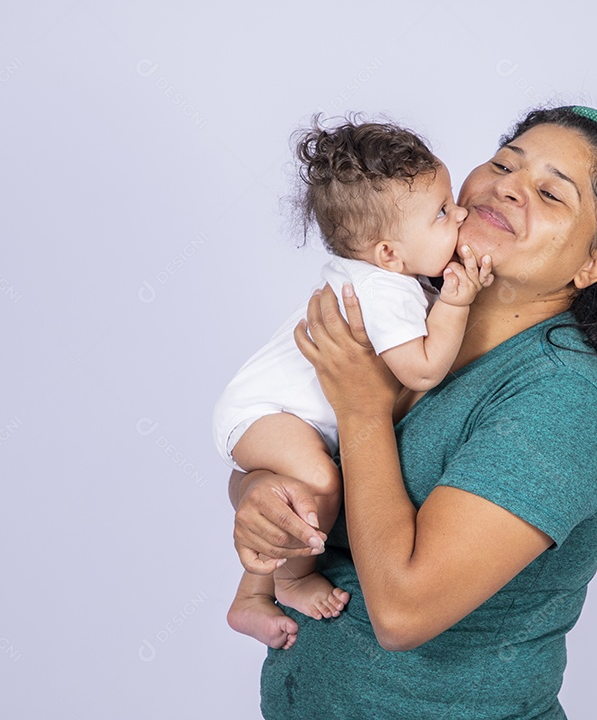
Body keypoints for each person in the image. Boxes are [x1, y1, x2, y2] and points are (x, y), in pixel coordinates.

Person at [228, 105, 597, 719]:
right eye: (502, 163)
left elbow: (404, 613)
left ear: (591, 265)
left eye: (548, 193)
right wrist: (259, 492)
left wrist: (362, 412)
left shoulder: (562, 399)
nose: (508, 186)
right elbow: (293, 447)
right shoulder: (401, 319)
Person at [212, 119, 494, 650]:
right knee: (318, 486)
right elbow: (424, 369)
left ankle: (249, 597)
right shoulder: (388, 293)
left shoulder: (386, 278)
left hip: (266, 410)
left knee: (290, 495)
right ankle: (287, 581)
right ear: (389, 253)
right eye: (441, 213)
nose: (458, 214)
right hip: (268, 409)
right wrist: (457, 302)